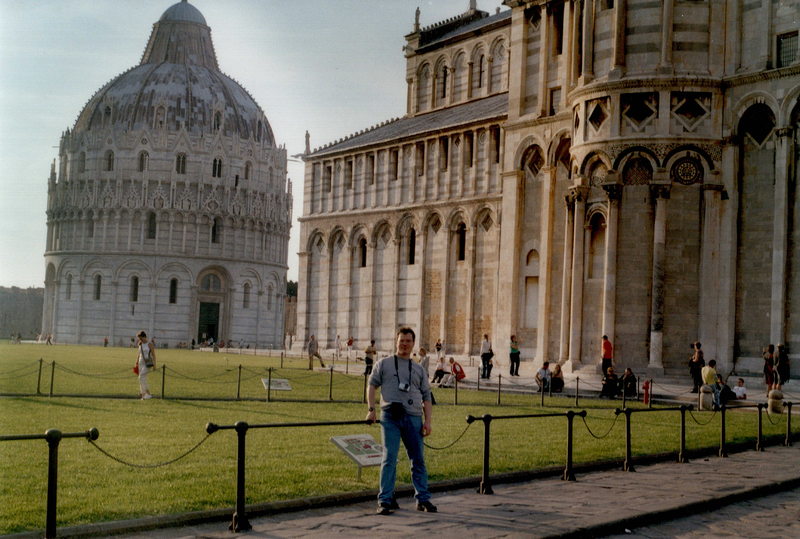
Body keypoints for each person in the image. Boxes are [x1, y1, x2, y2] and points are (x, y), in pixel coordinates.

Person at [366, 327, 436, 515]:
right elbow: (371, 386)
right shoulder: (384, 364)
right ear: (395, 342)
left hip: (413, 417)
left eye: (408, 341)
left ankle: (423, 499)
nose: (404, 344)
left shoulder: (419, 369)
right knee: (389, 459)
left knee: (418, 460)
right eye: (401, 340)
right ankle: (385, 500)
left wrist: (428, 421)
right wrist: (371, 410)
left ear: (413, 343)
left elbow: (427, 396)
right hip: (390, 416)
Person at [135, 330, 156, 400]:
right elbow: (139, 354)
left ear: (144, 337)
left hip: (147, 362)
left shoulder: (149, 344)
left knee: (141, 378)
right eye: (139, 339)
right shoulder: (140, 344)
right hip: (140, 362)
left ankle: (147, 394)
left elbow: (153, 355)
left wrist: (155, 365)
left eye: (141, 338)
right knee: (143, 379)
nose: (140, 340)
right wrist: (136, 362)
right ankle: (144, 395)